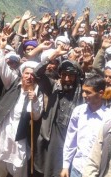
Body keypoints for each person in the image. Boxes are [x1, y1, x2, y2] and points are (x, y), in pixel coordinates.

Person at [0, 43, 43, 176]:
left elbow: (36, 116)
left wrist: (35, 100)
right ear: (22, 74)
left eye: (32, 75)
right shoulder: (13, 82)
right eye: (27, 73)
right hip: (1, 134)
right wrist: (1, 47)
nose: (29, 77)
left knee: (19, 168)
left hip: (18, 139)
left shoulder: (37, 92)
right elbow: (2, 67)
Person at [33, 45, 83, 177]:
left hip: (71, 139)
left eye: (71, 75)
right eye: (64, 75)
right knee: (49, 171)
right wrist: (54, 55)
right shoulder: (53, 86)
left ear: (76, 76)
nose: (67, 79)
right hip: (52, 137)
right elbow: (36, 73)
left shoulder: (83, 92)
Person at [60, 75, 111, 177]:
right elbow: (71, 139)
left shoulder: (109, 117)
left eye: (88, 92)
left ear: (100, 93)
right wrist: (66, 165)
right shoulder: (78, 111)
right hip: (77, 168)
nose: (84, 95)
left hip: (96, 171)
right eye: (83, 91)